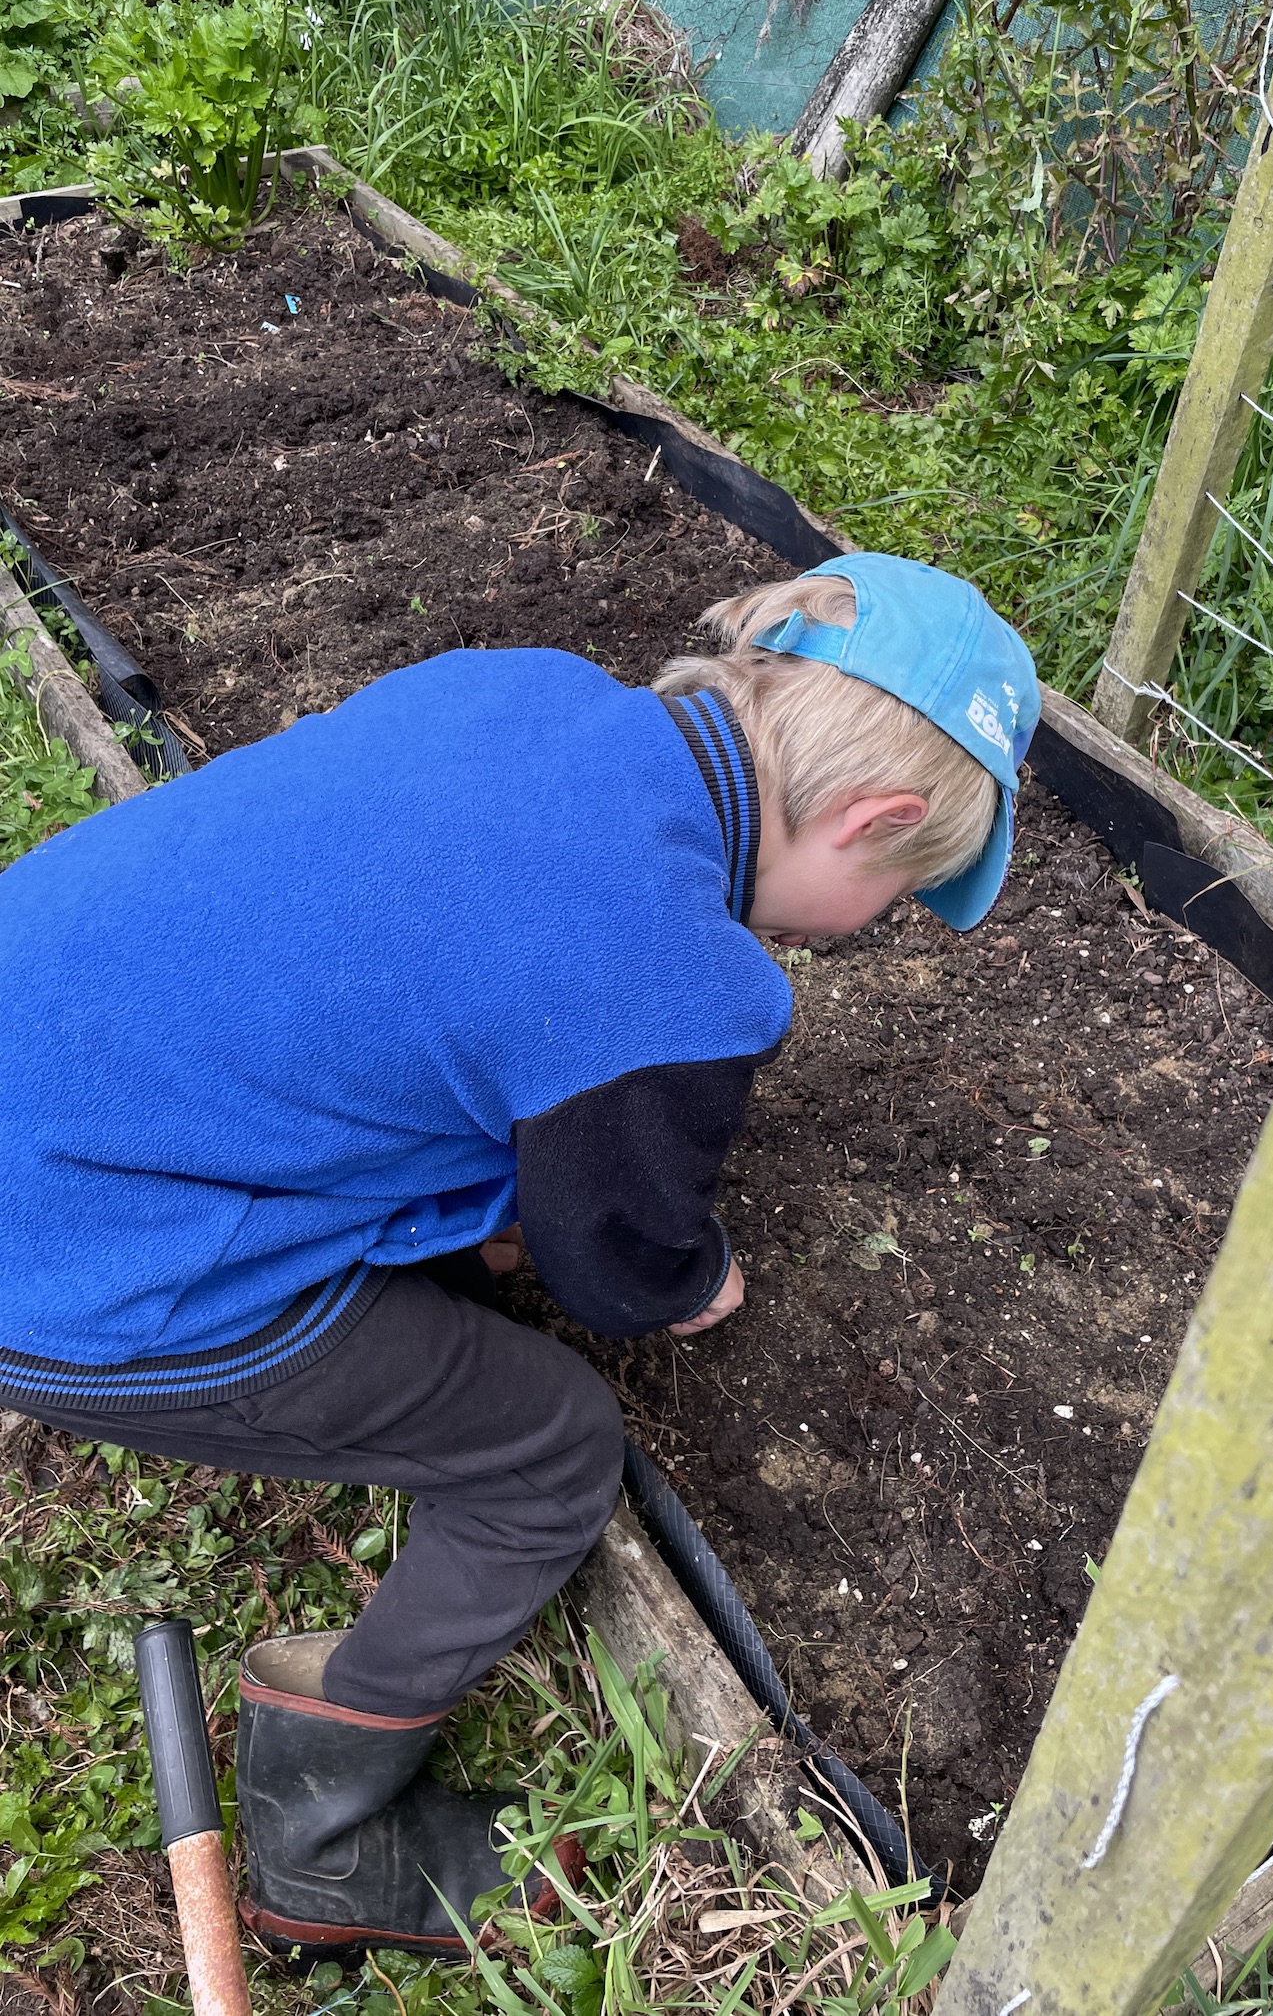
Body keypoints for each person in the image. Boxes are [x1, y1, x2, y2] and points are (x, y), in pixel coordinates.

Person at [0, 553, 1038, 1955]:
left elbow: (437, 971)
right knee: (550, 1443)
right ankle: (323, 1834)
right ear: (877, 818)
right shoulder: (675, 972)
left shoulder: (529, 692)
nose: (884, 925)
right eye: (905, 892)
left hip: (50, 1081)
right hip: (86, 1276)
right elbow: (611, 1257)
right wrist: (691, 1272)